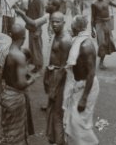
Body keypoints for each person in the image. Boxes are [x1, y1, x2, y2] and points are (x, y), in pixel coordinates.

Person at [63, 15, 99, 145]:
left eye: (71, 26)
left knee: (80, 122)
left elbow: (91, 74)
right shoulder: (77, 41)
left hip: (86, 87)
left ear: (76, 28)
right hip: (79, 85)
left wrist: (84, 97)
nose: (69, 28)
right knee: (74, 121)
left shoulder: (86, 46)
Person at [0, 24, 36, 144]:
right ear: (24, 38)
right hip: (16, 97)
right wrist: (32, 80)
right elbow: (21, 84)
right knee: (17, 134)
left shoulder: (4, 51)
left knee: (8, 130)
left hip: (6, 93)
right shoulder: (19, 56)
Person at [44, 12, 72, 145]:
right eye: (52, 21)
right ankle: (55, 139)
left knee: (57, 113)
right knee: (52, 111)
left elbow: (63, 68)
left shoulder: (65, 40)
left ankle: (60, 141)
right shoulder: (56, 36)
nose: (54, 24)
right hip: (53, 75)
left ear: (63, 23)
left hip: (60, 79)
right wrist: (46, 77)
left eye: (57, 22)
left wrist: (54, 88)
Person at [25, 0, 44, 73]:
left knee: (37, 47)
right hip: (30, 26)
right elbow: (28, 12)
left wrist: (39, 30)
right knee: (32, 46)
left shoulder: (39, 1)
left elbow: (41, 15)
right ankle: (34, 62)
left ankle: (39, 64)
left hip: (36, 27)